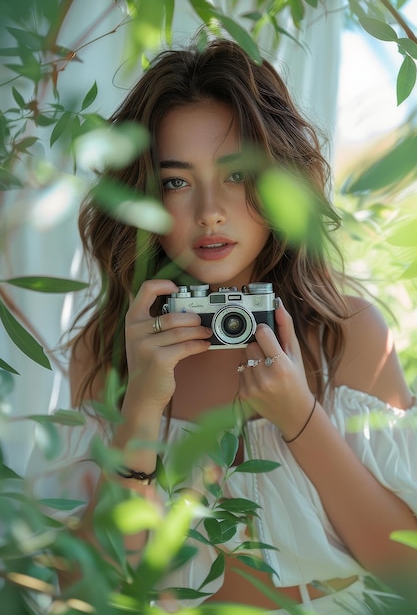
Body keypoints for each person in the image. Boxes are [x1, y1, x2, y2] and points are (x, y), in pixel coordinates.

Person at [29, 38, 417, 614]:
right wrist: (139, 410)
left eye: (236, 175)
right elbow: (87, 592)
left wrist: (299, 417)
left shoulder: (345, 332)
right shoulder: (111, 346)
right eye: (176, 181)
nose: (209, 209)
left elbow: (405, 571)